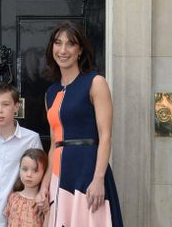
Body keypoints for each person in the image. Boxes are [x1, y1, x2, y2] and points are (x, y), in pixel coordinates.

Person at [36, 21, 123, 226]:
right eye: (58, 43)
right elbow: (54, 144)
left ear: (80, 50)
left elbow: (106, 136)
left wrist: (98, 179)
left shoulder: (95, 83)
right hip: (60, 174)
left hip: (88, 171)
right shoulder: (51, 92)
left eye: (70, 44)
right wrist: (45, 186)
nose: (63, 50)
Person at [0, 82, 43, 227]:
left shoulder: (31, 139)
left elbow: (40, 174)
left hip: (15, 217)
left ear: (16, 107)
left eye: (5, 104)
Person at [3, 148, 49, 227]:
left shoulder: (42, 203)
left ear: (44, 173)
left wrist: (47, 211)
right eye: (25, 169)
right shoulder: (13, 197)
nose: (29, 174)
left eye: (35, 170)